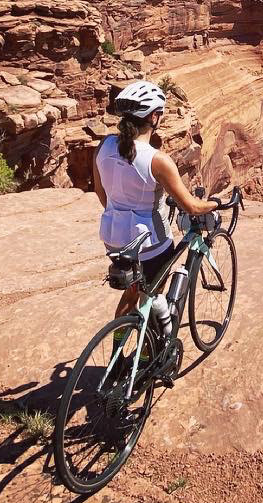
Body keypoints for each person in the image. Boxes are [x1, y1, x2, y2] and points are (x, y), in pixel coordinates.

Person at [93, 79, 221, 333]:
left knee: (132, 292)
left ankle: (118, 350)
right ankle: (151, 347)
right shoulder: (157, 160)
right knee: (151, 293)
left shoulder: (104, 146)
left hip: (113, 238)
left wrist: (121, 212)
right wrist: (214, 204)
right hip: (150, 244)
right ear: (154, 117)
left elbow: (101, 192)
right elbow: (191, 207)